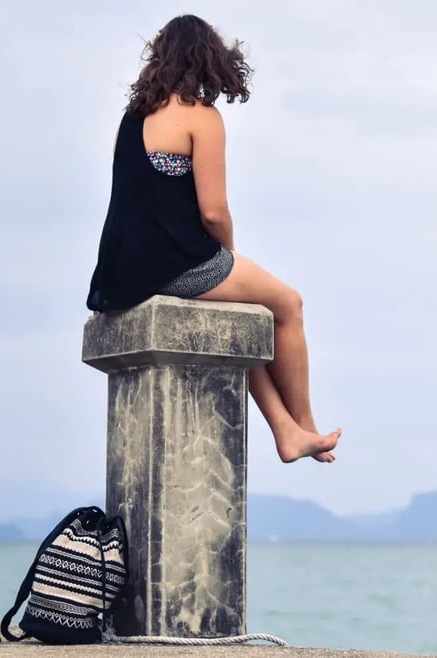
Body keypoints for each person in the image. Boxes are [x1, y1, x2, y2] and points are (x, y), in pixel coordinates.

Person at [86, 14, 341, 463]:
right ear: (208, 61)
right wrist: (228, 255)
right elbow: (212, 211)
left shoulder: (130, 122)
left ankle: (283, 430)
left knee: (245, 315)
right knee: (288, 304)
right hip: (175, 262)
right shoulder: (202, 117)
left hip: (123, 270)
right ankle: (305, 426)